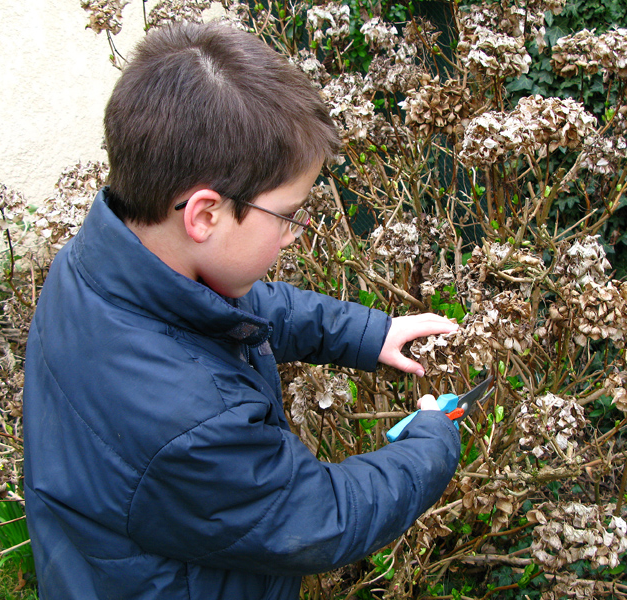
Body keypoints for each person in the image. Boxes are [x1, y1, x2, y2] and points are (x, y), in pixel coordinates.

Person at [23, 21, 460, 600]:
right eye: (287, 213)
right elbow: (320, 519)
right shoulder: (190, 421)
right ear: (205, 215)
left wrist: (366, 331)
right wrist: (431, 443)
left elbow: (234, 311)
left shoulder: (96, 267)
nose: (294, 235)